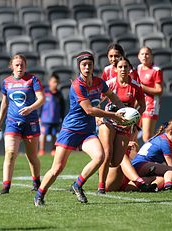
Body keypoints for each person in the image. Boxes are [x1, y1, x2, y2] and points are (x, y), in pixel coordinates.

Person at [33, 51, 126, 206]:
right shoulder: (77, 85)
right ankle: (39, 194)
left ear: (93, 66)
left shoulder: (99, 82)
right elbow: (89, 110)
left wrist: (124, 111)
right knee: (57, 169)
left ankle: (77, 185)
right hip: (70, 131)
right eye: (84, 65)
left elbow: (113, 96)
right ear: (79, 67)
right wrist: (114, 115)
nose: (87, 67)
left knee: (99, 157)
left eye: (90, 64)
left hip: (87, 132)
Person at [0, 54, 45, 194]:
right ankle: (6, 186)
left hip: (30, 122)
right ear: (11, 66)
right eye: (16, 65)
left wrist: (30, 108)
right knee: (10, 153)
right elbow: (4, 102)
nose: (19, 67)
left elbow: (41, 99)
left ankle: (36, 182)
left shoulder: (32, 79)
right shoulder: (6, 82)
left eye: (22, 65)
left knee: (32, 157)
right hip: (12, 122)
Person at [97, 56, 147, 194]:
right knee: (107, 153)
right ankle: (101, 186)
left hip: (125, 125)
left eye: (126, 67)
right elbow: (97, 101)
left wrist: (134, 119)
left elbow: (142, 106)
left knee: (116, 160)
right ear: (115, 69)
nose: (123, 69)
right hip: (108, 121)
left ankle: (110, 178)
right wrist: (99, 117)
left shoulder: (136, 86)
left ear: (130, 69)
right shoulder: (110, 84)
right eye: (120, 67)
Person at [131, 120, 172, 191]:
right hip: (142, 165)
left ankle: (152, 187)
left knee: (163, 178)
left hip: (137, 166)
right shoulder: (165, 142)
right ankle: (169, 185)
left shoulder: (160, 137)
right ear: (171, 132)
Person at [137, 47, 163, 142]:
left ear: (151, 56)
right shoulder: (139, 68)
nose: (145, 56)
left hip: (151, 104)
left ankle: (156, 155)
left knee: (147, 137)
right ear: (138, 56)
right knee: (132, 135)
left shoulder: (156, 70)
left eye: (147, 54)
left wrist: (143, 88)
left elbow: (159, 90)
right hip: (139, 104)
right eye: (142, 54)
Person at [38, 73, 65, 156]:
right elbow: (40, 105)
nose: (55, 84)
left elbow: (62, 106)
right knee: (43, 135)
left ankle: (53, 150)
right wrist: (39, 116)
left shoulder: (59, 94)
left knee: (54, 135)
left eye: (57, 82)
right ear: (50, 82)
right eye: (54, 82)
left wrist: (62, 117)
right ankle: (41, 150)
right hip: (45, 119)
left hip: (55, 119)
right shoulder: (44, 92)